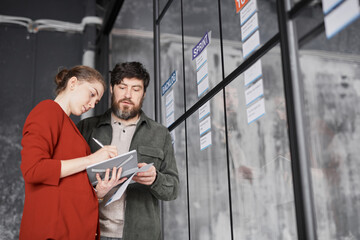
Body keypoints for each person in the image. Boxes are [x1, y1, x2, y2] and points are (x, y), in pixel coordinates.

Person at [20, 65, 126, 240]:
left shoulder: (71, 128)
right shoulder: (48, 111)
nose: (92, 104)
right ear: (73, 83)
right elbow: (33, 169)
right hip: (52, 232)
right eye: (92, 94)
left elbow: (69, 185)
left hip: (71, 230)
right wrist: (92, 159)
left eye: (97, 102)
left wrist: (98, 192)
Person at [77, 62, 179, 240]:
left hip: (141, 235)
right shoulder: (87, 128)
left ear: (144, 93)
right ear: (111, 88)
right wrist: (95, 190)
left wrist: (155, 179)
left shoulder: (160, 134)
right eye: (122, 87)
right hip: (91, 232)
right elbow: (68, 182)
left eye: (136, 89)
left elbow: (173, 190)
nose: (128, 95)